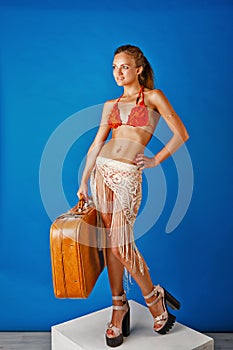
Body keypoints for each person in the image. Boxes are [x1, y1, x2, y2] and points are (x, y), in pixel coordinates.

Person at [77, 44, 189, 347]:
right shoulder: (109, 105)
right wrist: (84, 181)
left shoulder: (152, 97)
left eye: (124, 66)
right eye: (114, 67)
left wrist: (155, 160)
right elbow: (96, 144)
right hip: (102, 174)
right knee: (110, 246)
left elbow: (181, 133)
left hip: (128, 177)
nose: (118, 72)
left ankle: (154, 298)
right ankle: (118, 307)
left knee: (120, 247)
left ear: (138, 68)